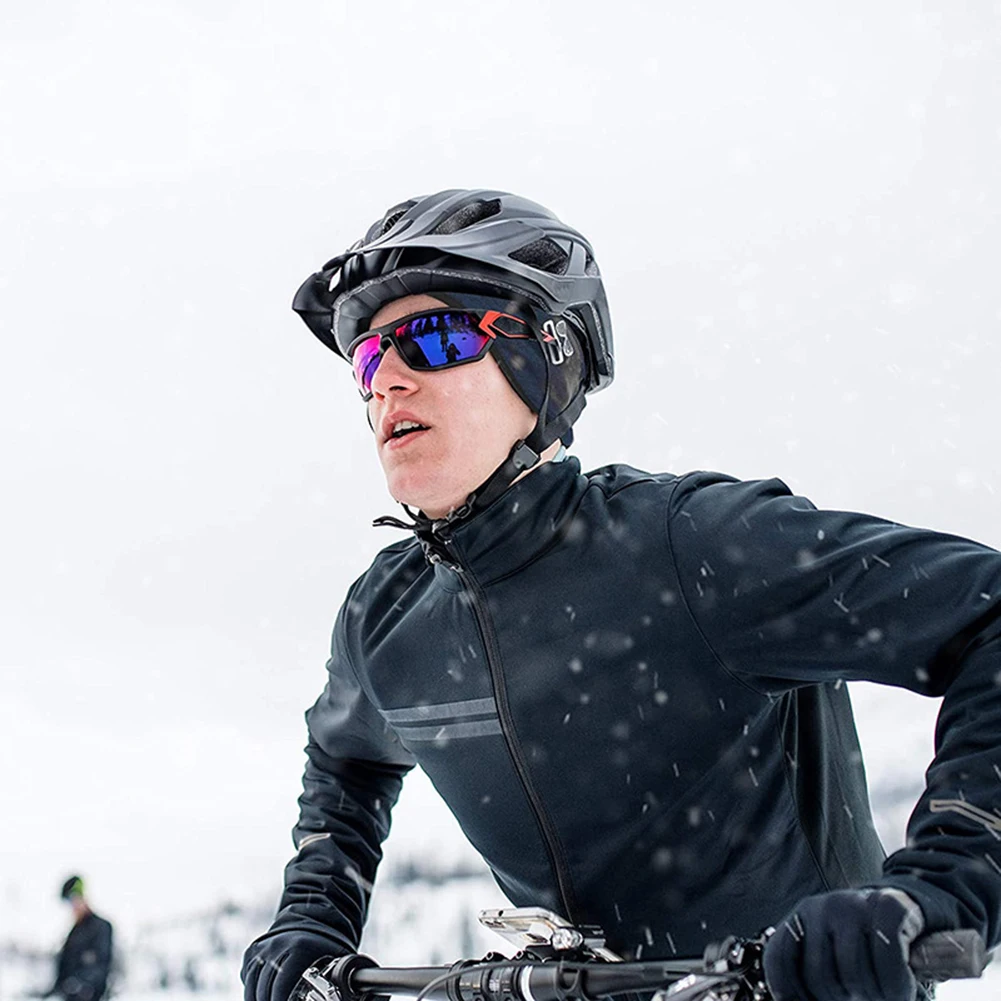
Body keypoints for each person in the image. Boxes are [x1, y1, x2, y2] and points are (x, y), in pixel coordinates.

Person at [242, 189, 1001, 1001]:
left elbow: (987, 614)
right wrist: (314, 912)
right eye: (366, 359)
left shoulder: (690, 545)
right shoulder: (385, 620)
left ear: (545, 357)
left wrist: (943, 880)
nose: (386, 381)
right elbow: (346, 758)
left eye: (433, 339)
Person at [44, 876, 114, 1001]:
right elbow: (64, 968)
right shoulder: (74, 932)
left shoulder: (101, 927)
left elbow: (101, 966)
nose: (74, 906)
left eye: (74, 899)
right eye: (69, 902)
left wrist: (80, 984)